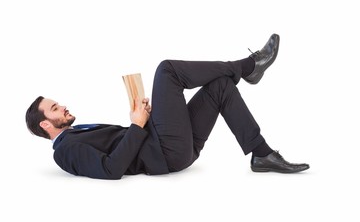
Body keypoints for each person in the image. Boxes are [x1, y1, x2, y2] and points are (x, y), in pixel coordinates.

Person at [25, 34, 309, 180]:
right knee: (166, 71)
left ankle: (261, 155)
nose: (62, 106)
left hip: (171, 147)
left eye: (57, 103)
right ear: (45, 125)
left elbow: (123, 145)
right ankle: (249, 66)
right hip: (165, 153)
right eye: (54, 108)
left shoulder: (77, 134)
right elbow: (110, 169)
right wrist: (136, 126)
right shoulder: (64, 152)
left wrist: (143, 119)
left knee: (221, 86)